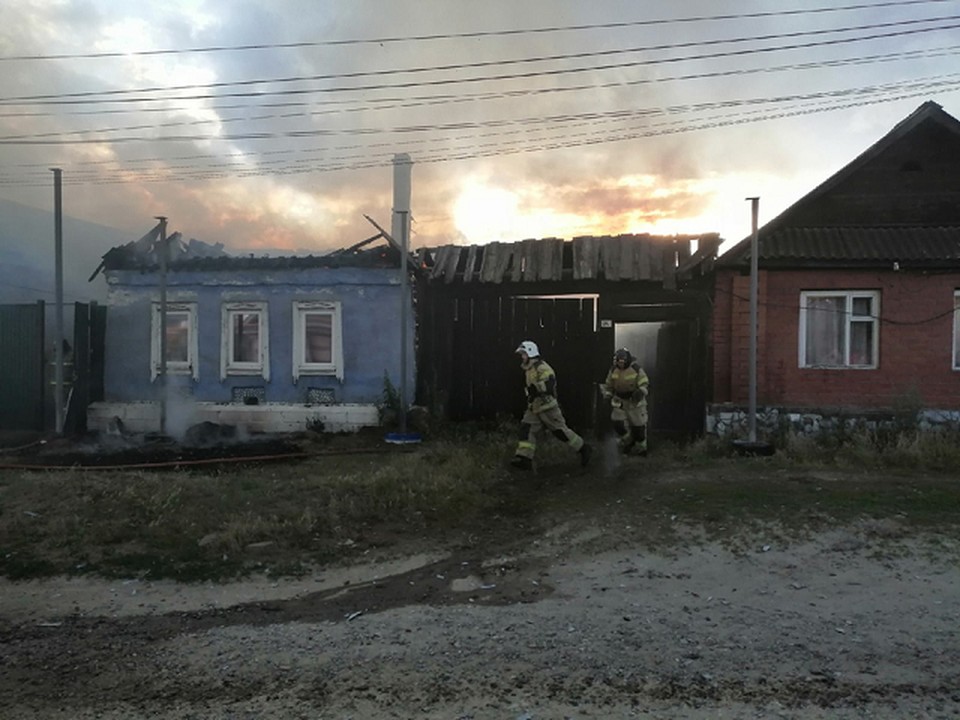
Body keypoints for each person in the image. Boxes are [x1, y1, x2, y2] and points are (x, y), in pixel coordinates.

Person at [510, 340, 592, 470]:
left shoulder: (542, 367)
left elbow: (550, 383)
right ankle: (525, 458)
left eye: (523, 354)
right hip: (534, 407)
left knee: (560, 432)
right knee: (526, 429)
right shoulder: (529, 369)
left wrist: (536, 389)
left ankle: (583, 448)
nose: (522, 357)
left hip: (548, 407)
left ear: (530, 353)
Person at [600, 347, 650, 456]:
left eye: (622, 361)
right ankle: (628, 442)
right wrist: (607, 396)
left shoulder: (636, 369)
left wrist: (640, 391)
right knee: (618, 424)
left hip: (635, 402)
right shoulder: (613, 370)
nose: (620, 364)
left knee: (639, 428)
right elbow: (608, 386)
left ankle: (642, 449)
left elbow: (644, 383)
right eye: (618, 361)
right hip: (620, 401)